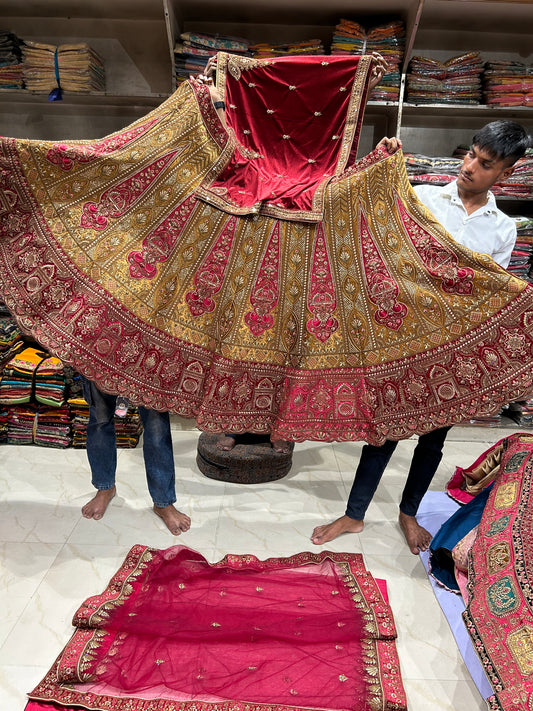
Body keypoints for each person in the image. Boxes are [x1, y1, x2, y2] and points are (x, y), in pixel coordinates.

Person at [311, 119, 531, 554]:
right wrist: (382, 163)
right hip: (406, 340)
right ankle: (355, 515)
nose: (470, 166)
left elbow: (492, 292)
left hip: (454, 351)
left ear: (504, 175)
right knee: (385, 431)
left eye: (485, 163)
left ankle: (408, 514)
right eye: (470, 154)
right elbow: (372, 219)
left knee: (434, 439)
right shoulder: (423, 200)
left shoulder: (502, 229)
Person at [81, 378, 191, 536]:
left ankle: (163, 502)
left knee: (157, 426)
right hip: (103, 355)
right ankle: (105, 488)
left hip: (149, 359)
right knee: (100, 419)